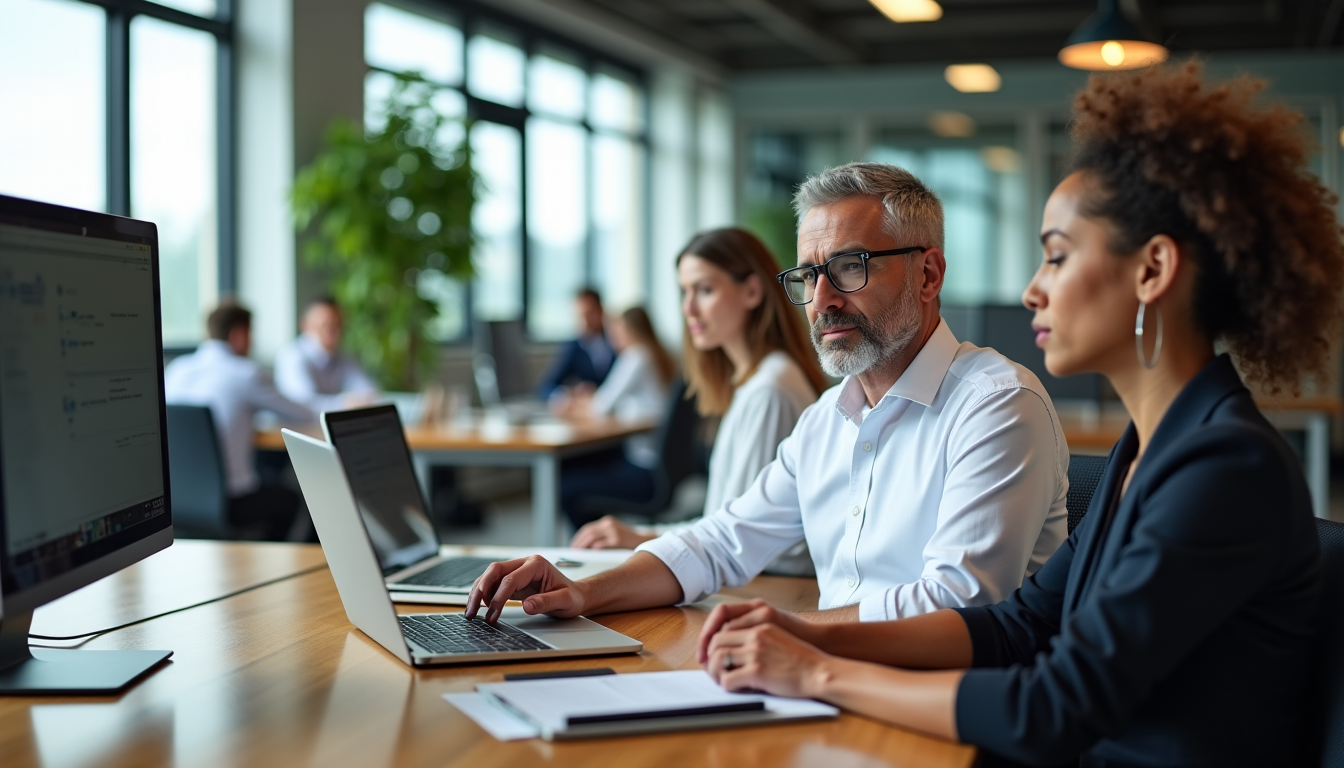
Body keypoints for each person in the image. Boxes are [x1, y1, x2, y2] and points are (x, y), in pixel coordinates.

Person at [695, 63, 1342, 768]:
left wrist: (817, 673)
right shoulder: (1148, 450)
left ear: (1152, 270)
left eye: (1056, 258)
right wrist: (804, 632)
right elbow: (1017, 627)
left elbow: (1052, 708)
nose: (1033, 291)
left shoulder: (1226, 465)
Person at [467, 162, 1069, 626]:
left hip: (942, 706)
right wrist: (583, 591)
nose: (822, 300)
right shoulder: (827, 419)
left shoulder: (996, 405)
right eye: (809, 275)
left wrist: (789, 630)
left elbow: (957, 604)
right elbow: (721, 542)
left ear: (928, 274)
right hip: (829, 678)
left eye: (850, 266)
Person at [571, 228, 829, 579]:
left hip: (770, 584)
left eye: (704, 290)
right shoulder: (755, 380)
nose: (688, 309)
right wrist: (642, 536)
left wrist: (643, 537)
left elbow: (736, 539)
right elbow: (726, 525)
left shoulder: (770, 390)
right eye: (684, 292)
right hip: (750, 572)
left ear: (752, 291)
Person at [164, 302, 317, 540]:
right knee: (292, 500)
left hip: (176, 501)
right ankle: (266, 556)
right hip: (229, 504)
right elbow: (301, 413)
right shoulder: (246, 373)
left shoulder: (176, 370)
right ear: (239, 334)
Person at [557, 306, 677, 529]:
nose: (612, 337)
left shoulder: (636, 356)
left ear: (629, 330)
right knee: (585, 463)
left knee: (566, 485)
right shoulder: (659, 354)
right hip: (662, 468)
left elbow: (601, 407)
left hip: (644, 470)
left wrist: (575, 403)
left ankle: (589, 542)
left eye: (615, 331)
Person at [274, 296, 379, 412]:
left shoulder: (343, 357)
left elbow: (369, 391)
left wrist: (358, 400)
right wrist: (345, 403)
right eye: (326, 326)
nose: (336, 332)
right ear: (306, 325)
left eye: (339, 325)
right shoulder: (292, 357)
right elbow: (304, 406)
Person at [536, 288, 615, 402]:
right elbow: (546, 387)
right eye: (580, 316)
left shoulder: (617, 342)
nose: (585, 321)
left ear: (600, 311)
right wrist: (565, 395)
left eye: (589, 314)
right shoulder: (573, 348)